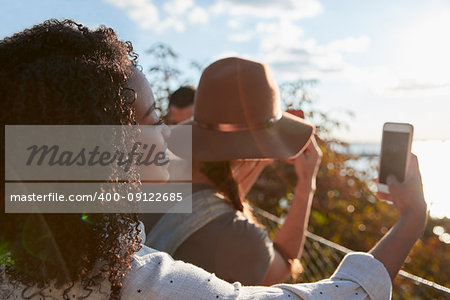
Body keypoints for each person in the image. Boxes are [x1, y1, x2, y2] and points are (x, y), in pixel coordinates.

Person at [0, 19, 426, 300]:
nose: (167, 133)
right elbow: (335, 294)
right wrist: (411, 218)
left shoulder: (36, 253)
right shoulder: (146, 282)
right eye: (153, 120)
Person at [143, 57, 322, 285]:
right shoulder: (238, 236)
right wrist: (307, 182)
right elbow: (283, 264)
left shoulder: (149, 187)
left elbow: (212, 201)